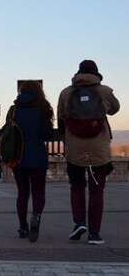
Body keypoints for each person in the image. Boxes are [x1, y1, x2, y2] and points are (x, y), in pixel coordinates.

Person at [58, 60, 120, 245]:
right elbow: (115, 109)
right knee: (96, 191)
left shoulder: (66, 93)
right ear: (96, 73)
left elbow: (61, 116)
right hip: (98, 151)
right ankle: (94, 234)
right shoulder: (104, 91)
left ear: (78, 72)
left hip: (75, 150)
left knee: (76, 187)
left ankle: (78, 223)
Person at [8, 81, 54, 242]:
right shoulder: (43, 109)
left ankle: (22, 227)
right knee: (38, 192)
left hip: (18, 156)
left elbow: (7, 132)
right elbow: (48, 134)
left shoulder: (14, 110)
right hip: (38, 156)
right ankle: (36, 217)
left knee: (22, 193)